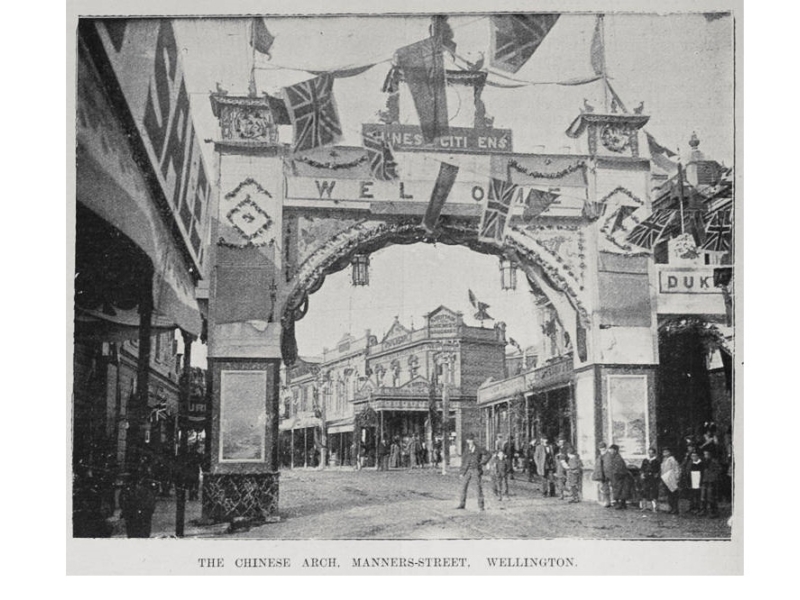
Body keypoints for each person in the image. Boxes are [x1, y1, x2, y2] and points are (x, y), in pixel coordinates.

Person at [119, 468, 158, 538]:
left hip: (140, 513)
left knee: (138, 532)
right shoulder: (129, 487)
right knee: (137, 532)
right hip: (135, 513)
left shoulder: (146, 487)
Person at [456, 434, 490, 511]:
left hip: (476, 469)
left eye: (471, 439)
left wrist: (483, 462)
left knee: (478, 488)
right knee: (463, 487)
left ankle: (481, 506)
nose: (470, 441)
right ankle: (462, 504)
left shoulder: (479, 448)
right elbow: (463, 461)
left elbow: (488, 454)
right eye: (468, 440)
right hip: (467, 470)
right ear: (467, 441)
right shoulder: (466, 449)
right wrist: (462, 472)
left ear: (473, 440)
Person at [606, 444, 634, 509]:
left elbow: (619, 468)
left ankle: (620, 504)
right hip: (616, 477)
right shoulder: (614, 457)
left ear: (615, 450)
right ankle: (621, 503)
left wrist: (615, 474)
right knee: (619, 490)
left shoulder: (617, 458)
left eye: (612, 450)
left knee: (620, 490)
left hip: (619, 477)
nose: (610, 451)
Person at [700, 448, 722, 518]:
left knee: (711, 497)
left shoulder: (714, 462)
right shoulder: (704, 461)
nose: (705, 456)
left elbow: (719, 470)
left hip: (711, 481)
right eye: (704, 454)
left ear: (710, 455)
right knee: (703, 496)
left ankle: (713, 512)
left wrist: (713, 476)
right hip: (704, 480)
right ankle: (704, 510)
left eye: (706, 454)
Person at [660, 447, 681, 515]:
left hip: (672, 479)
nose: (665, 453)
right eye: (664, 452)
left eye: (667, 452)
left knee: (673, 494)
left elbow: (676, 469)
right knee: (669, 495)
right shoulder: (664, 460)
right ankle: (671, 507)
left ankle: (675, 508)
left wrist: (677, 478)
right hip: (666, 479)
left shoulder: (672, 460)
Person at [639, 447, 660, 512]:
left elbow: (658, 470)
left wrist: (656, 475)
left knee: (653, 493)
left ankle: (654, 507)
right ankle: (644, 507)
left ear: (654, 453)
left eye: (652, 453)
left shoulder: (656, 461)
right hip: (646, 478)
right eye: (649, 452)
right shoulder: (645, 460)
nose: (650, 454)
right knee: (644, 492)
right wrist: (642, 474)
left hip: (653, 478)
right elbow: (642, 468)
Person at [592, 442, 611, 507]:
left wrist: (606, 475)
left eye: (603, 448)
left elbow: (607, 466)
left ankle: (607, 502)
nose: (602, 450)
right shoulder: (601, 455)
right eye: (600, 448)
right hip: (601, 475)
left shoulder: (607, 455)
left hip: (605, 475)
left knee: (605, 489)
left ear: (605, 448)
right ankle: (605, 501)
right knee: (603, 488)